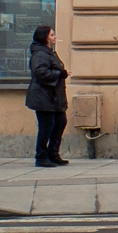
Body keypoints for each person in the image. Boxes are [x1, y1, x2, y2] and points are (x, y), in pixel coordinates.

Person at [25, 24, 68, 168]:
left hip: (53, 96)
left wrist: (61, 73)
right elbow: (40, 73)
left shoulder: (49, 52)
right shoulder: (40, 53)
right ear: (44, 38)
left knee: (60, 122)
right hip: (43, 96)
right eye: (51, 35)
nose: (55, 37)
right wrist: (59, 74)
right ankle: (41, 156)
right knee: (47, 126)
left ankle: (53, 154)